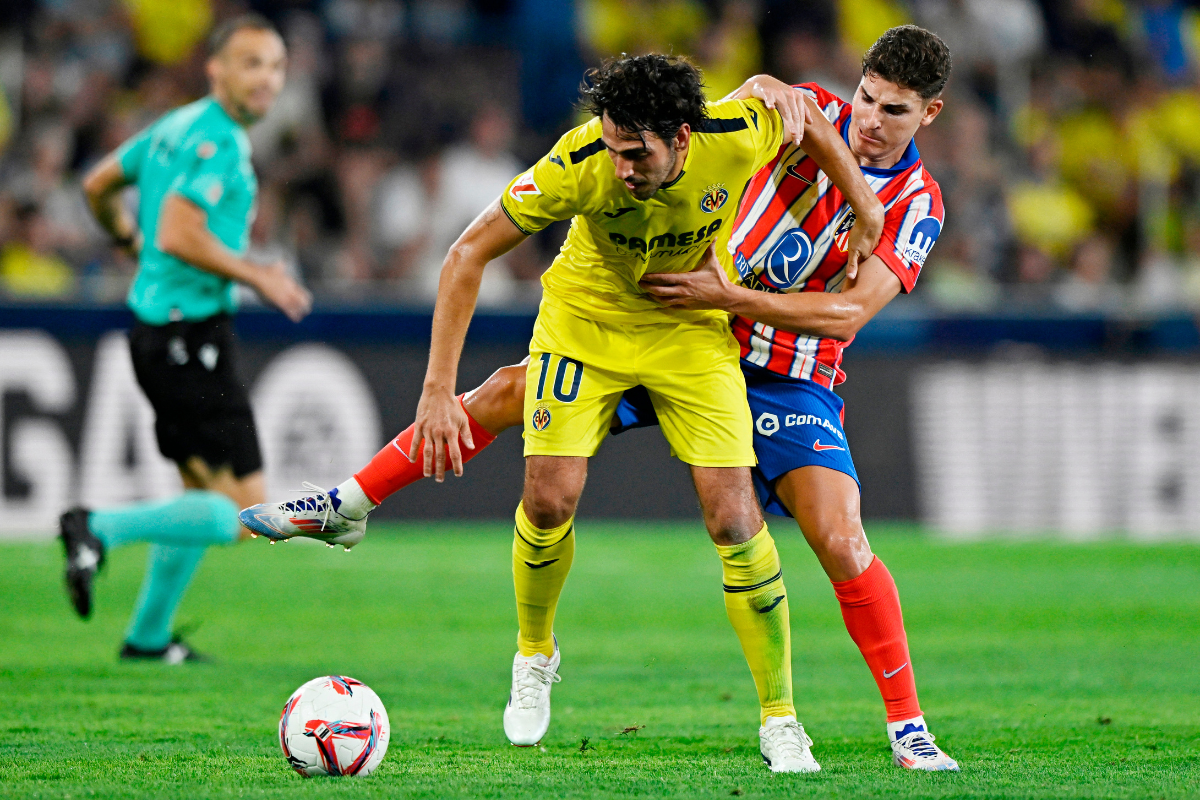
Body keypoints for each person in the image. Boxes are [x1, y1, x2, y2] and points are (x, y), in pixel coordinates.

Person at [249, 26, 960, 771]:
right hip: (682, 321)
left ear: (930, 116)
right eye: (867, 98)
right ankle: (348, 505)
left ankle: (907, 728)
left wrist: (738, 289)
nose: (872, 120)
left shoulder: (919, 201)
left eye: (896, 112)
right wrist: (842, 189)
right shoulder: (803, 113)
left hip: (782, 367)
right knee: (505, 398)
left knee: (839, 540)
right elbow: (775, 102)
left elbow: (848, 314)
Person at [61, 14, 314, 664]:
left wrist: (122, 238)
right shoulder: (219, 142)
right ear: (216, 69)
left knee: (201, 496)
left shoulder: (173, 127)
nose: (267, 79)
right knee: (247, 515)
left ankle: (148, 637)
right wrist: (258, 273)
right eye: (252, 63)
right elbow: (176, 231)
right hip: (188, 337)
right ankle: (97, 528)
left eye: (276, 66)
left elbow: (97, 187)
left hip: (158, 334)